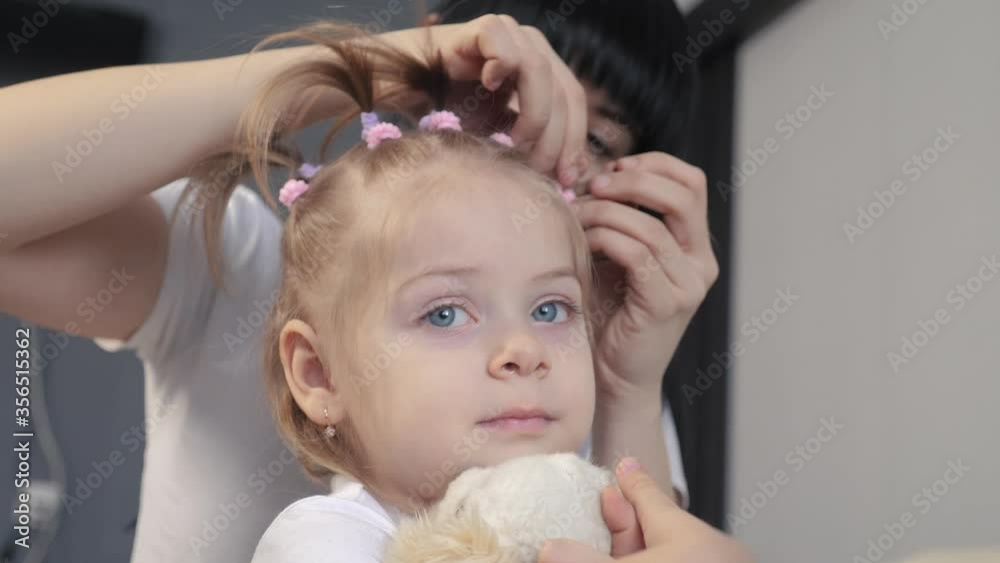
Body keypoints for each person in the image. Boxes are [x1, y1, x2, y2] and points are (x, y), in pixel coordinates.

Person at [0, 4, 716, 563]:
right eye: (513, 97)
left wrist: (627, 384)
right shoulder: (239, 263)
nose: (536, 145)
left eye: (594, 139)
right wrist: (359, 65)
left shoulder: (576, 377)